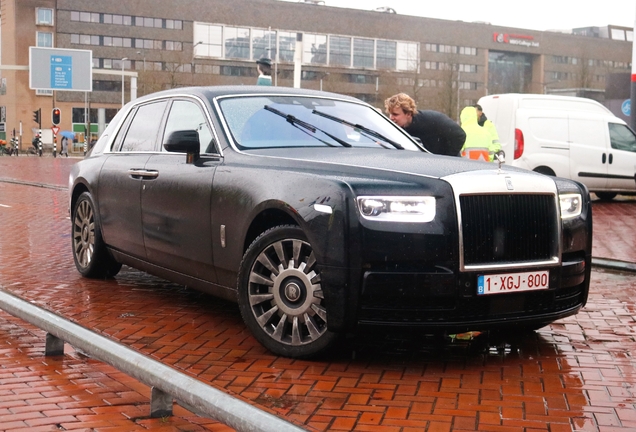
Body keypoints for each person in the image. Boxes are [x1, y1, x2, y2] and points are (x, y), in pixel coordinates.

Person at [384, 93, 465, 156]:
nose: (391, 118)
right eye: (390, 114)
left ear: (408, 114)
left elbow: (459, 134)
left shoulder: (432, 119)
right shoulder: (394, 128)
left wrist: (447, 157)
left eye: (395, 114)